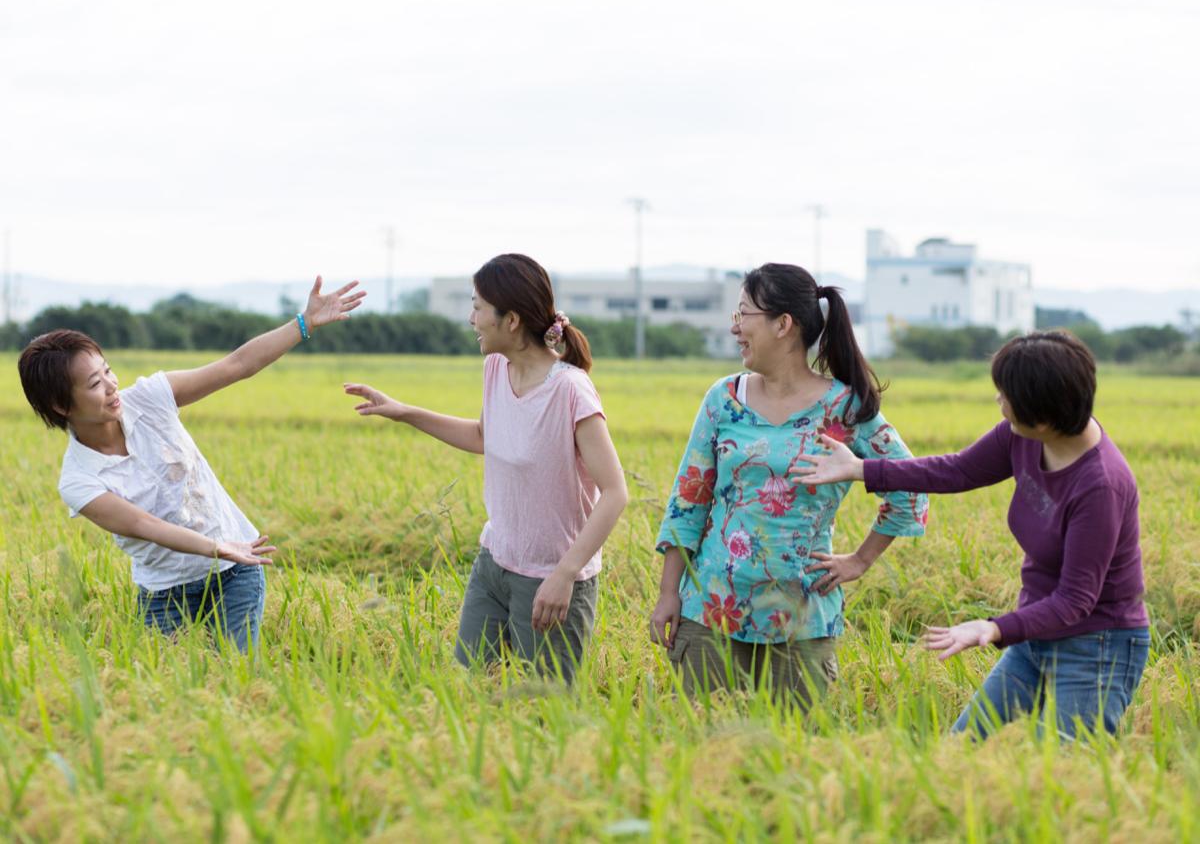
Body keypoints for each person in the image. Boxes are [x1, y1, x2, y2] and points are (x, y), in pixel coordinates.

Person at [792, 330, 1149, 738]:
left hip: (1096, 647)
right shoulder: (1023, 437)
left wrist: (993, 627)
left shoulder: (1100, 486)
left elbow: (1075, 600)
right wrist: (861, 469)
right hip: (1035, 634)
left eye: (1007, 395)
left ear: (1045, 413)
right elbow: (957, 470)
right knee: (964, 747)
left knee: (1067, 775)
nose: (1000, 402)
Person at [17, 276, 365, 652]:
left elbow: (237, 365)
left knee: (237, 672)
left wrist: (304, 323)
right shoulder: (80, 481)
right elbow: (143, 524)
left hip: (235, 569)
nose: (112, 385)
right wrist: (215, 546)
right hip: (165, 595)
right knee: (168, 687)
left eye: (108, 371)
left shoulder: (150, 398)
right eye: (94, 384)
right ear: (62, 405)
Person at [650, 263, 928, 707]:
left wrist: (859, 560)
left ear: (783, 325)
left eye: (744, 315)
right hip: (710, 612)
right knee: (703, 754)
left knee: (797, 757)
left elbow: (911, 488)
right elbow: (689, 500)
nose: (734, 327)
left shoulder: (845, 407)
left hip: (802, 620)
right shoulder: (724, 399)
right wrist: (668, 595)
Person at [345, 253, 627, 685]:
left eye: (478, 307)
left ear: (510, 319)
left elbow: (615, 493)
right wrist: (403, 412)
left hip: (550, 578)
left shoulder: (570, 390)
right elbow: (484, 436)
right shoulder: (496, 367)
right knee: (468, 689)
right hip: (494, 564)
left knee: (545, 710)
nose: (471, 318)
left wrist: (565, 574)